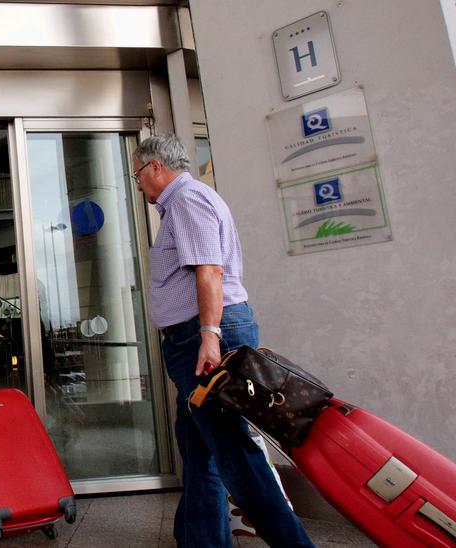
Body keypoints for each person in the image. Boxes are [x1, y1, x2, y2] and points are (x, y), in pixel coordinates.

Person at [132, 134, 314, 547]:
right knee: (197, 446)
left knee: (232, 452)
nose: (138, 183)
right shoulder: (182, 202)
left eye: (137, 174)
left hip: (203, 336)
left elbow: (209, 272)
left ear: (156, 167)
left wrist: (209, 339)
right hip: (195, 336)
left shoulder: (187, 201)